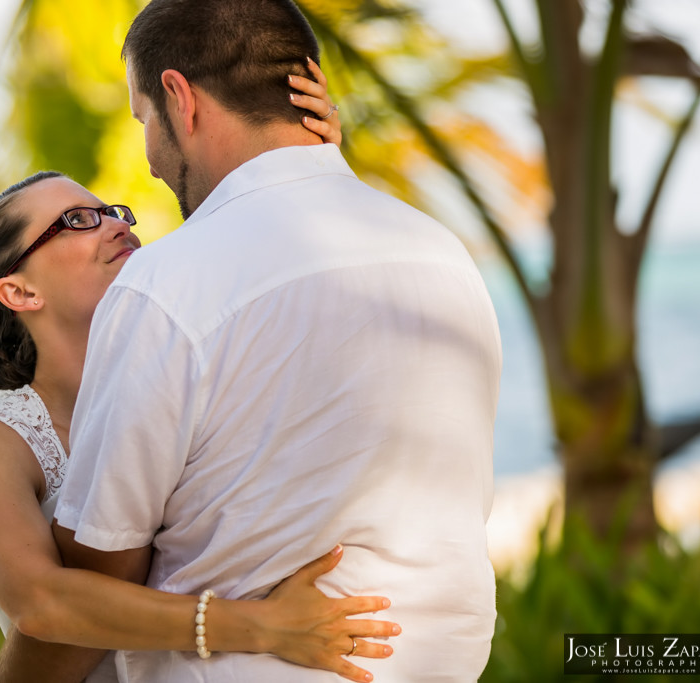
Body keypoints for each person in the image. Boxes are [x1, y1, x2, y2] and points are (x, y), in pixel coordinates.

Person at [51, 1, 503, 681]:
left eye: (145, 120)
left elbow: (100, 562)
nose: (149, 160)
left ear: (180, 97)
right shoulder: (443, 255)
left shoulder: (169, 284)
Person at [0, 69, 400, 683]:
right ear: (18, 290)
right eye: (77, 222)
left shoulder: (181, 369)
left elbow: (267, 264)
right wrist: (261, 626)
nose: (116, 224)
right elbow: (42, 603)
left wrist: (306, 162)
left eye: (111, 211)